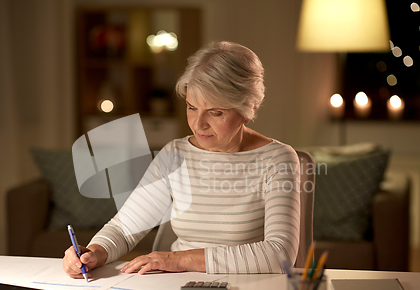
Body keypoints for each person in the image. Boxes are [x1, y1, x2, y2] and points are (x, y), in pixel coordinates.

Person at [63, 41, 300, 277]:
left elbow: (279, 255)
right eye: (191, 107)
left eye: (216, 112)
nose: (199, 124)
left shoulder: (277, 159)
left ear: (249, 107)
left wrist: (180, 259)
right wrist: (93, 252)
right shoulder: (175, 155)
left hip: (249, 289)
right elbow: (125, 227)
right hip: (178, 288)